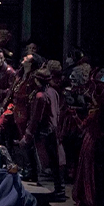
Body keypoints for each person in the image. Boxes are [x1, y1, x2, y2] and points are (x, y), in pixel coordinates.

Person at [17, 68, 65, 199]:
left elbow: (36, 118)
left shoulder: (40, 96)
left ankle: (57, 191)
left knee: (46, 160)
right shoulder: (53, 92)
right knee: (56, 160)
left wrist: (27, 136)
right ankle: (60, 190)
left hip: (44, 132)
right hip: (54, 129)